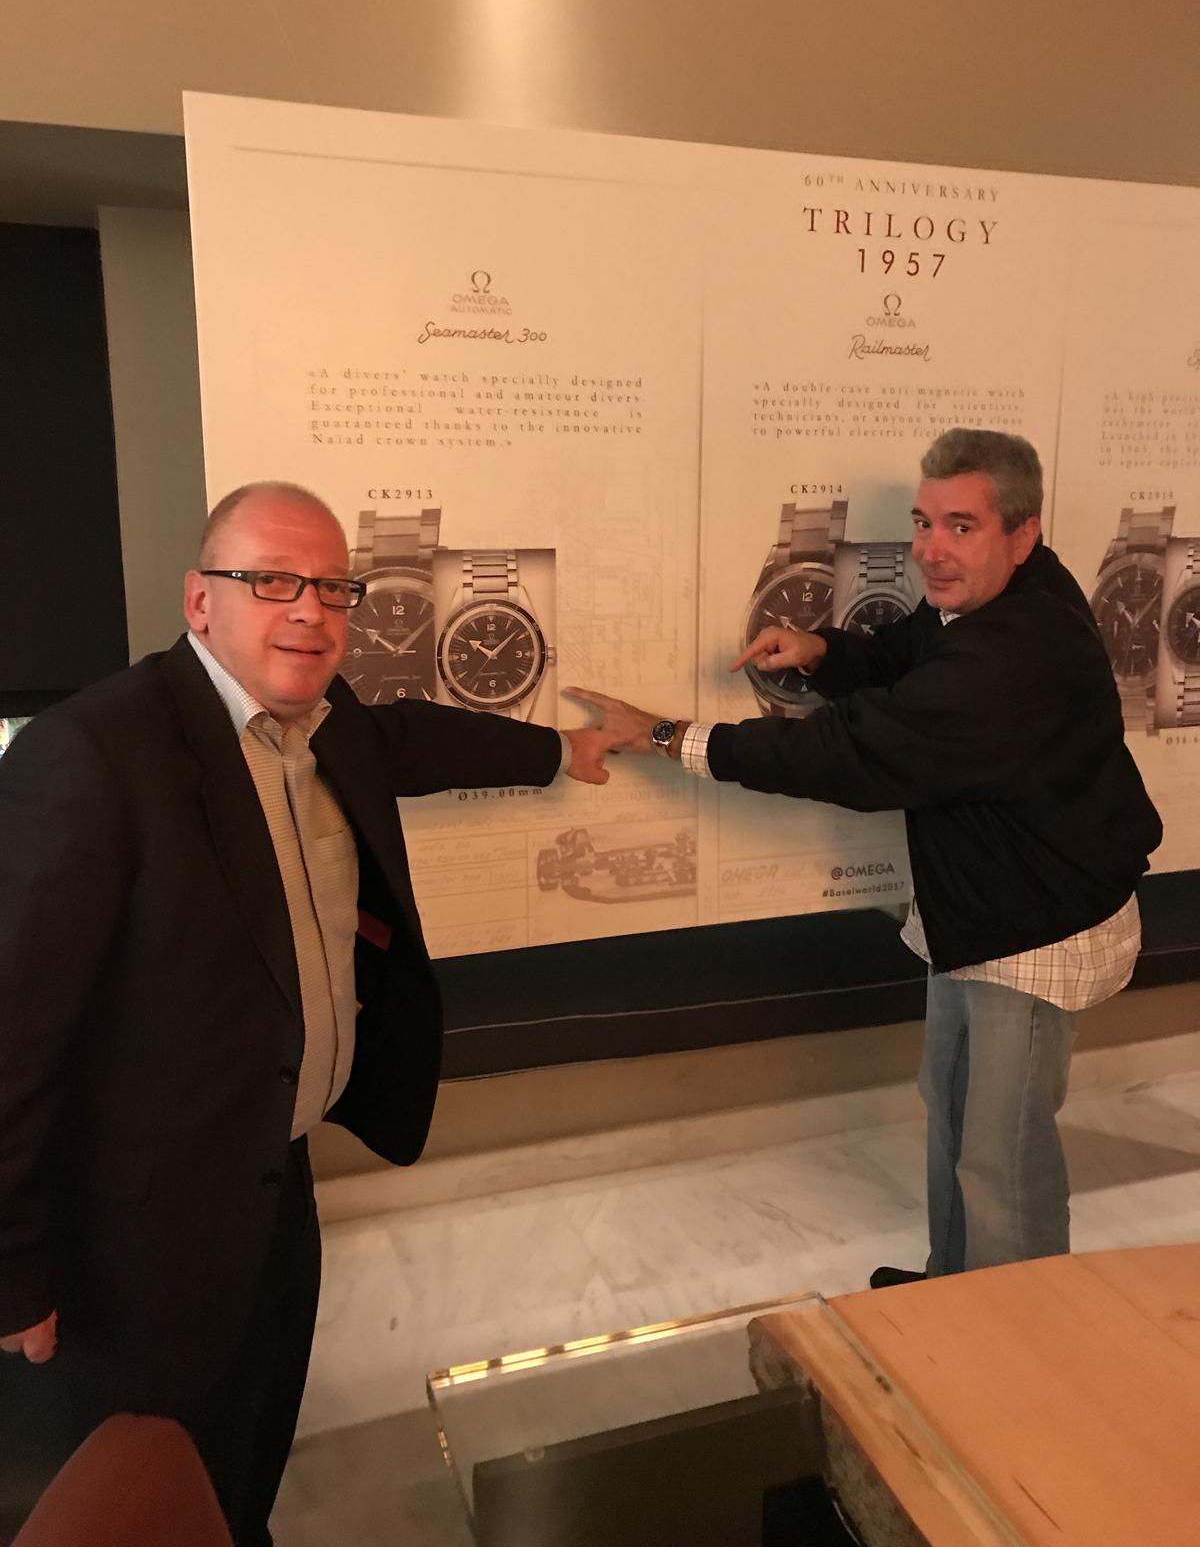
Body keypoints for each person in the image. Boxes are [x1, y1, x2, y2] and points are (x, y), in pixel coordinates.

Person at [0, 482, 613, 1545]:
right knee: (149, 1486)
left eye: (333, 588)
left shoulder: (326, 729)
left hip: (274, 1182)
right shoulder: (92, 755)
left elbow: (422, 741)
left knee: (248, 1456)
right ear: (201, 600)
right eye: (273, 581)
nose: (310, 611)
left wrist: (565, 750)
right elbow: (12, 1039)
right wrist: (14, 1271)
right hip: (137, 1238)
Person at [570, 428, 1162, 1287]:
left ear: (1022, 531)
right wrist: (826, 652)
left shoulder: (1015, 650)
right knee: (952, 1111)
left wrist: (667, 736)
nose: (931, 550)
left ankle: (1018, 1331)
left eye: (960, 527)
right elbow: (910, 653)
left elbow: (845, 753)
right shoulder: (1001, 590)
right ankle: (952, 1294)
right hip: (980, 907)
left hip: (1036, 929)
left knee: (1004, 1156)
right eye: (924, 523)